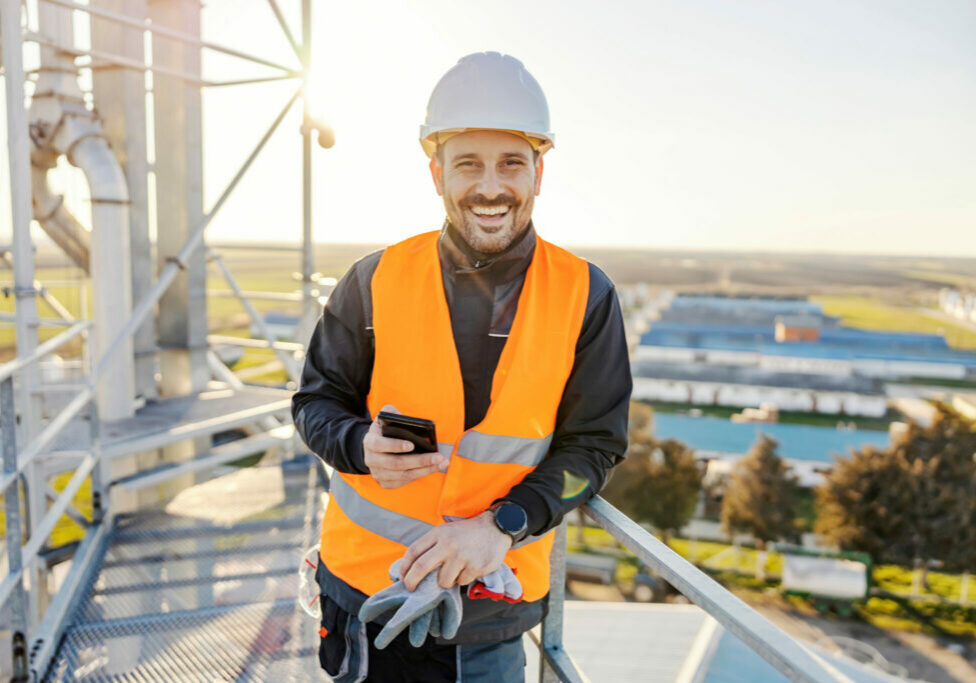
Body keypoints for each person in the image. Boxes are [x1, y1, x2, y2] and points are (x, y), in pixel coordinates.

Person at [292, 51, 632, 683]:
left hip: (486, 619)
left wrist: (502, 527)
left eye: (511, 164)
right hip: (362, 602)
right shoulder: (372, 281)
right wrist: (357, 445)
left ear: (538, 173)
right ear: (437, 174)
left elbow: (596, 450)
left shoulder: (587, 295)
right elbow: (313, 404)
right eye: (468, 164)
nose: (490, 187)